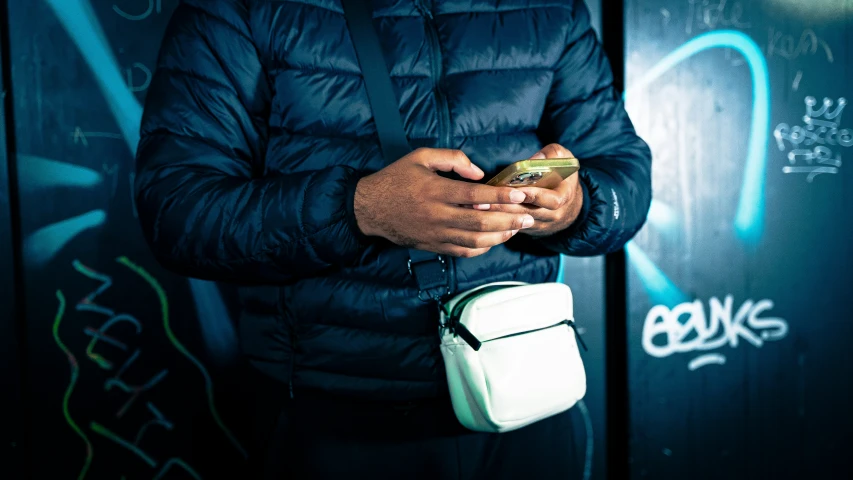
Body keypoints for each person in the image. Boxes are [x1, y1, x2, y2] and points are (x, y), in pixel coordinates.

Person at [134, 0, 652, 478]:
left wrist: (574, 205)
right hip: (336, 419)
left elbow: (624, 173)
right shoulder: (241, 6)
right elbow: (178, 211)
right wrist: (360, 209)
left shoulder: (552, 5)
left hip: (526, 392)